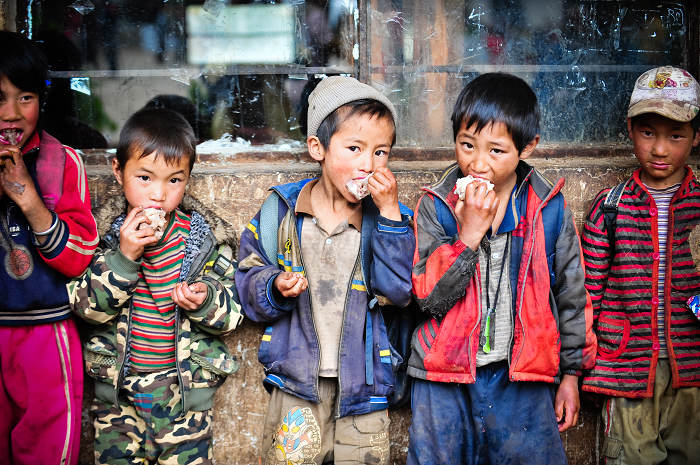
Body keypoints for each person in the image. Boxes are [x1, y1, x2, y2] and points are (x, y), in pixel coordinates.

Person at [407, 72, 597, 465]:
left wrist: (571, 376)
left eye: (496, 150)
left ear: (527, 147)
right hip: (443, 378)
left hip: (522, 378)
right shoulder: (437, 205)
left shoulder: (547, 208)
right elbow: (429, 298)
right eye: (467, 145)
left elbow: (572, 295)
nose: (477, 163)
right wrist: (469, 235)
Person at [235, 76, 414, 465]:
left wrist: (389, 215)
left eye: (381, 152)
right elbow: (246, 277)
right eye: (355, 148)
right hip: (296, 385)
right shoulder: (281, 213)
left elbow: (398, 292)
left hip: (365, 390)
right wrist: (274, 286)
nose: (368, 165)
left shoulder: (390, 220)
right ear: (317, 147)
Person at [67, 107, 243, 464]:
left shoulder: (203, 240)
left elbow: (233, 315)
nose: (158, 194)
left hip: (183, 400)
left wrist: (205, 300)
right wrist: (124, 257)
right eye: (145, 177)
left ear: (188, 179)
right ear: (118, 171)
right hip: (118, 402)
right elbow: (86, 310)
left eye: (174, 180)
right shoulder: (102, 237)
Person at [581, 66, 700, 464]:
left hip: (693, 370)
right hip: (626, 370)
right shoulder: (610, 207)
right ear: (630, 130)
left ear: (696, 136)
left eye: (676, 135)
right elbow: (587, 293)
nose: (660, 149)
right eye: (648, 133)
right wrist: (579, 363)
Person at [0, 31, 98, 465]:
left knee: (47, 448)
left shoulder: (61, 162)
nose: (11, 114)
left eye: (25, 98)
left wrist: (29, 199)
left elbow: (77, 258)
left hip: (44, 332)